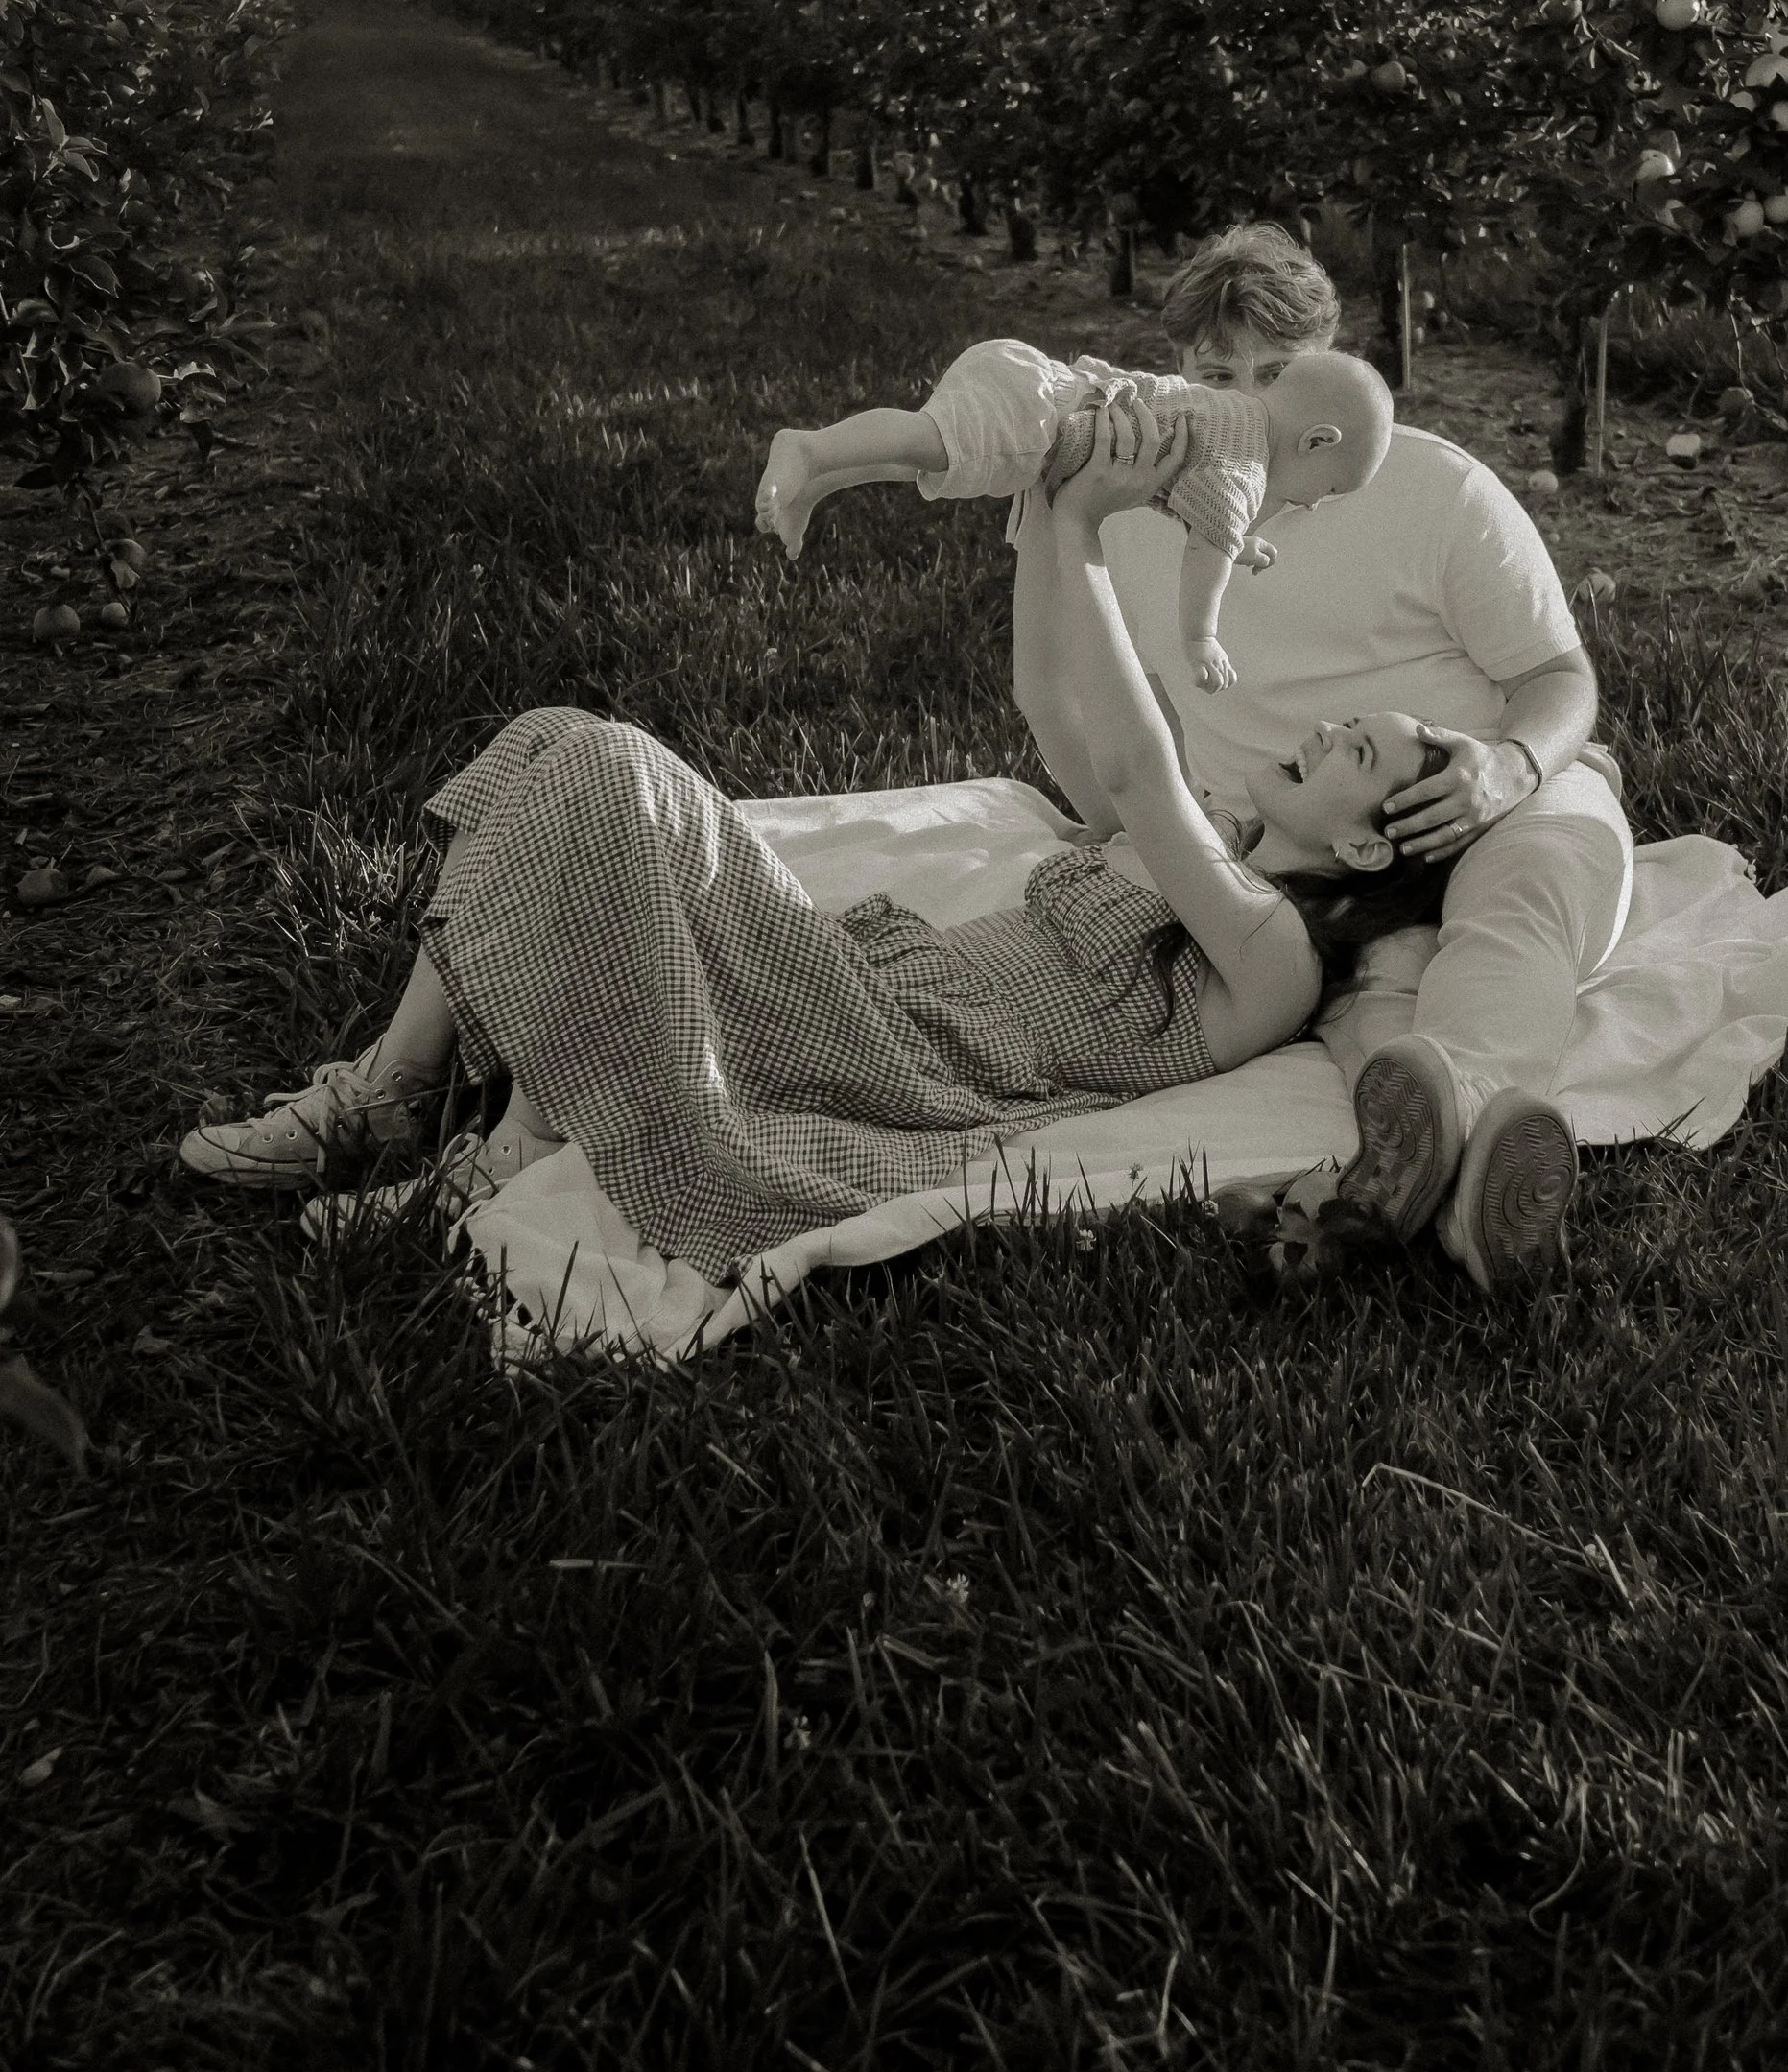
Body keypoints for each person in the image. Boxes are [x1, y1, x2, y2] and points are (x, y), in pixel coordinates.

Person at [179, 406, 1453, 1281]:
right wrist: (1062, 521)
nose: (1332, 723)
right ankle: (395, 1094)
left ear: (1365, 839)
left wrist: (1094, 522)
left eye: (1364, 749)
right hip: (844, 973)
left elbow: (1134, 758)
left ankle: (488, 1143)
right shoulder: (1211, 840)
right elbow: (1059, 710)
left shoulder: (1272, 953)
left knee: (613, 773)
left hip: (891, 1057)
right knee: (556, 732)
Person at [1026, 221, 1633, 1292]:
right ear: (1178, 370)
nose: (1246, 406)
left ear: (1330, 367)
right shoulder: (1132, 502)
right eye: (1217, 373)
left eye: (1274, 376)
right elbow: (1079, 710)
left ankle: (1467, 1105)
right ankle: (1455, 1207)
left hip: (1475, 793)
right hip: (1297, 851)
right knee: (1371, 1006)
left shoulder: (1436, 488)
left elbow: (1560, 680)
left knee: (1515, 909)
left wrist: (1511, 768)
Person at [753, 335, 1393, 691]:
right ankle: (808, 447)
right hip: (1041, 418)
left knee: (931, 456)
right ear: (1316, 442)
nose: (1312, 504)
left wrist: (1236, 543)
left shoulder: (1233, 423)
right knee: (924, 440)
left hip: (1039, 392)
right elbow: (1208, 549)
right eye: (1328, 489)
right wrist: (1200, 638)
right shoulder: (1248, 469)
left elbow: (1197, 510)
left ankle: (815, 484)